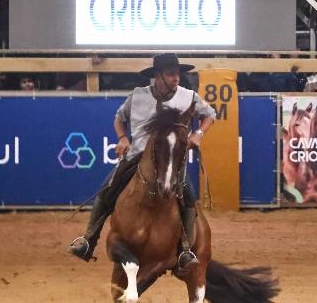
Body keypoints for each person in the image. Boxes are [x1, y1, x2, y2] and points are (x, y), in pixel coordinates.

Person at [69, 53, 216, 271]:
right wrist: (122, 137)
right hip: (138, 156)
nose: (176, 78)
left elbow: (210, 114)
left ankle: (185, 249)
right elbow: (119, 118)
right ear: (158, 76)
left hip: (172, 160)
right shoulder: (138, 96)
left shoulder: (189, 96)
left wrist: (198, 135)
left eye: (178, 74)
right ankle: (88, 239)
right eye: (171, 74)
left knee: (188, 198)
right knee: (107, 189)